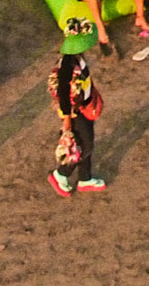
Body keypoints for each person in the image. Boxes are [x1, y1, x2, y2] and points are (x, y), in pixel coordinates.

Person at [50, 16, 105, 196]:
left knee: (86, 142)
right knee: (84, 146)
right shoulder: (66, 66)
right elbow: (64, 96)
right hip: (75, 114)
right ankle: (61, 174)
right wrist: (66, 121)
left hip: (86, 110)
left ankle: (85, 178)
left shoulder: (76, 57)